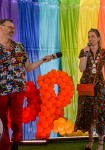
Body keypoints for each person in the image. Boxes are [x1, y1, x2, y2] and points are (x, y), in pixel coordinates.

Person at [0, 19, 52, 150]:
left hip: (18, 89)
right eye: (9, 27)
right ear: (1, 28)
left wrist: (42, 61)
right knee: (2, 121)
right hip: (1, 90)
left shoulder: (19, 46)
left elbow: (28, 67)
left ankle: (16, 143)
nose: (12, 30)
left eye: (13, 28)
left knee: (17, 120)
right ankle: (4, 145)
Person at [74, 28, 105, 150]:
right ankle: (90, 141)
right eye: (89, 36)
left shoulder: (104, 52)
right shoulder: (84, 51)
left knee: (100, 112)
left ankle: (100, 143)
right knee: (88, 112)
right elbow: (81, 68)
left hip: (99, 85)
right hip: (86, 84)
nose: (90, 39)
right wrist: (85, 53)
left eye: (93, 36)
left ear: (98, 38)